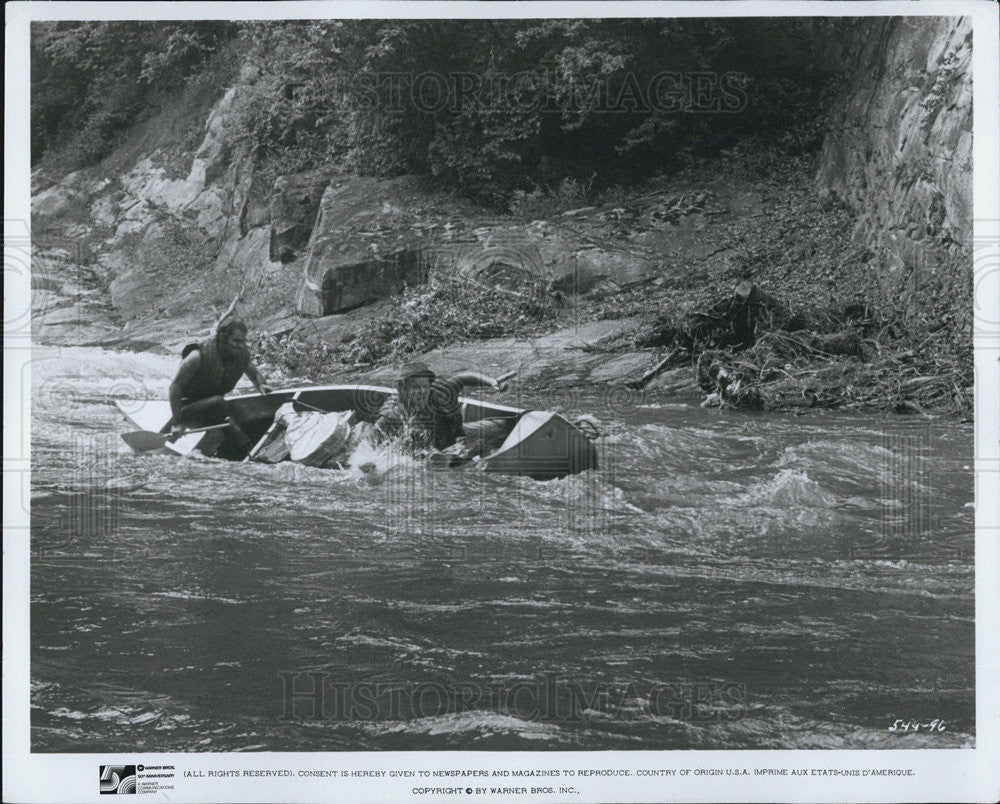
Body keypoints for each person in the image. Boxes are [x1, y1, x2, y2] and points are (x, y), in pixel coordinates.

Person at [166, 319, 271, 448]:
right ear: (222, 339)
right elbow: (174, 388)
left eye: (243, 341)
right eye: (236, 341)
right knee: (218, 402)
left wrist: (260, 384)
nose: (241, 345)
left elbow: (255, 376)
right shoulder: (196, 357)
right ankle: (245, 446)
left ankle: (242, 440)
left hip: (214, 406)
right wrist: (177, 422)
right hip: (188, 410)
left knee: (222, 405)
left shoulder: (240, 355)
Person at [373, 362, 506, 453]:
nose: (422, 392)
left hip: (454, 442)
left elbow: (462, 379)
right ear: (404, 390)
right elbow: (369, 442)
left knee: (503, 426)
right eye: (415, 387)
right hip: (427, 457)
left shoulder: (438, 393)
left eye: (425, 386)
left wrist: (491, 381)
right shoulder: (392, 414)